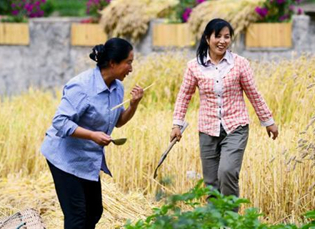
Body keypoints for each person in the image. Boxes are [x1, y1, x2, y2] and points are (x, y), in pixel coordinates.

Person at [170, 18, 279, 200]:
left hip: (236, 126)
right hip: (208, 129)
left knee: (227, 172)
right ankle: (216, 223)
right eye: (218, 36)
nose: (222, 41)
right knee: (211, 183)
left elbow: (253, 93)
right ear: (207, 38)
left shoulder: (240, 63)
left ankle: (230, 221)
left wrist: (268, 121)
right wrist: (176, 125)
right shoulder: (194, 66)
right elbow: (184, 96)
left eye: (227, 37)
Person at [41, 38, 144, 229]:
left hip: (87, 158)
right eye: (128, 62)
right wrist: (92, 135)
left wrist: (134, 104)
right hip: (63, 157)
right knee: (76, 216)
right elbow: (60, 122)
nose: (131, 68)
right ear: (113, 63)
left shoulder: (117, 87)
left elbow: (118, 121)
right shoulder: (81, 86)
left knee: (94, 211)